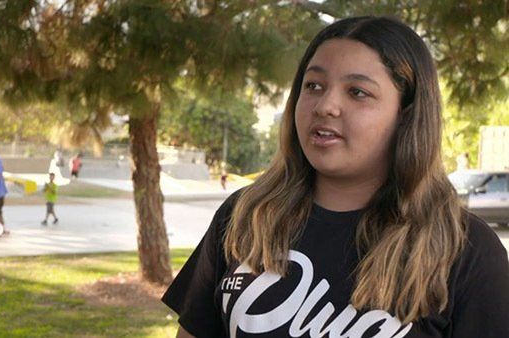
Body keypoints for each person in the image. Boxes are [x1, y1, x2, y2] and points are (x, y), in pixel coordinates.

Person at [162, 16, 509, 338]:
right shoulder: (245, 215)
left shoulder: (467, 250)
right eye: (313, 85)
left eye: (357, 92)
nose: (325, 105)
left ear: (407, 115)